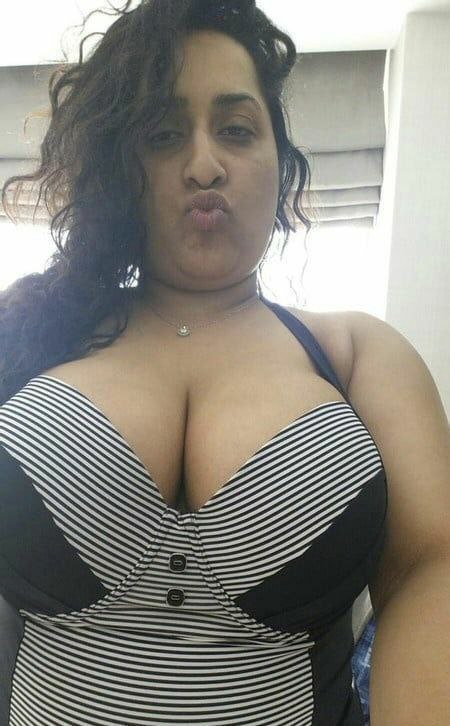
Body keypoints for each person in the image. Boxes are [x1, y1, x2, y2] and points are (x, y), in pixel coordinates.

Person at [1, 2, 449, 724]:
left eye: (236, 129)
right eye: (163, 135)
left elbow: (432, 573)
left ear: (280, 160)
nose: (205, 165)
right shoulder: (29, 333)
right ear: (119, 167)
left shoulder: (358, 357)